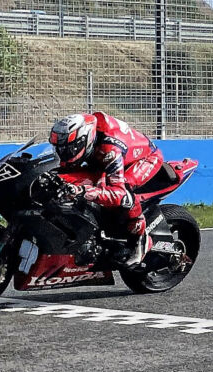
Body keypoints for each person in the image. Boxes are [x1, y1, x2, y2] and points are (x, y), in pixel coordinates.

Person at [47, 111, 165, 267]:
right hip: (102, 157)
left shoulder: (111, 149)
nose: (63, 153)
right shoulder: (85, 131)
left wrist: (83, 191)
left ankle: (140, 240)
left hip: (145, 159)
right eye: (59, 148)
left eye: (68, 148)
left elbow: (117, 193)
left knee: (125, 194)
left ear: (84, 140)